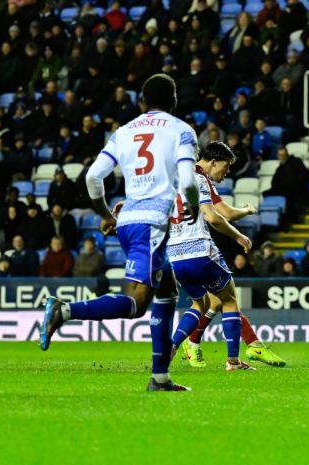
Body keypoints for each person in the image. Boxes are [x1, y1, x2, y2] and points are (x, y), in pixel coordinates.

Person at [39, 74, 204, 392]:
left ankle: (160, 378)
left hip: (128, 220)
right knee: (137, 303)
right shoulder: (181, 130)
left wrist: (105, 214)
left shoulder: (124, 131)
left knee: (167, 289)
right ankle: (64, 310)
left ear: (142, 101)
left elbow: (92, 177)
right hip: (152, 224)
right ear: (173, 100)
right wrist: (193, 207)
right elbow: (187, 181)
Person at [173, 143, 285, 368]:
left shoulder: (172, 178)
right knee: (229, 299)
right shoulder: (200, 179)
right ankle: (235, 359)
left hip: (175, 255)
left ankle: (181, 345)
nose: (228, 172)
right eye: (226, 166)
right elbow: (219, 215)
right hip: (200, 248)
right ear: (213, 162)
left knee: (205, 303)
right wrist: (245, 218)